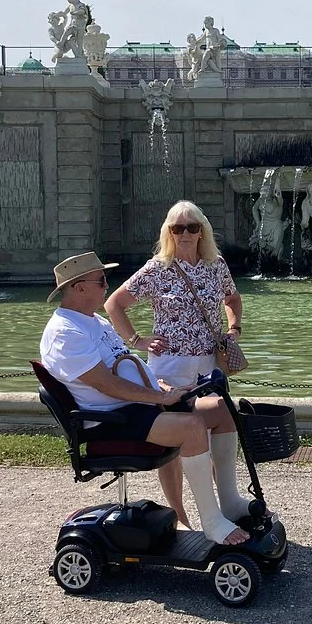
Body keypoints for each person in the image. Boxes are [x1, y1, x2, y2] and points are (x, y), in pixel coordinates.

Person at [41, 250, 248, 545]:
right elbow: (107, 385)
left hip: (134, 408)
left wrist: (159, 387)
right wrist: (155, 396)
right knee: (190, 427)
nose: (107, 286)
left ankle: (229, 502)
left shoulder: (95, 322)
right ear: (79, 287)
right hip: (112, 420)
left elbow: (124, 365)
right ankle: (212, 522)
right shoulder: (66, 332)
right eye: (101, 281)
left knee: (219, 408)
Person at [105, 201, 244, 530]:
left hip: (210, 364)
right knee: (177, 440)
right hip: (170, 367)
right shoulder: (158, 268)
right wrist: (137, 340)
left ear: (202, 231)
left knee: (214, 430)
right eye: (177, 228)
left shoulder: (215, 264)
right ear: (168, 232)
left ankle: (225, 507)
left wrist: (234, 329)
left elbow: (232, 298)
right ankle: (179, 515)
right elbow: (114, 304)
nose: (184, 233)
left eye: (191, 227)